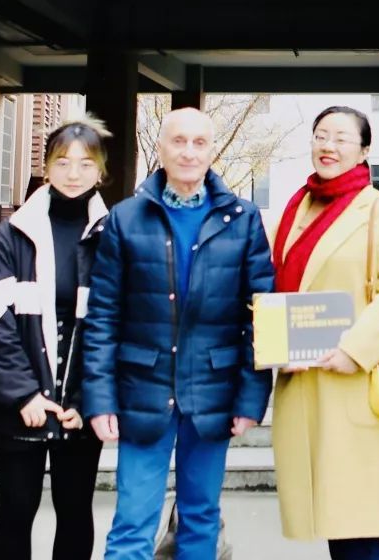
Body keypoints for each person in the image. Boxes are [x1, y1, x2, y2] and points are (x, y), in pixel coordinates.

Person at [82, 106, 274, 560]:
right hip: (143, 389)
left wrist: (250, 399)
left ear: (212, 150)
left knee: (200, 516)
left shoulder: (242, 219)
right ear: (162, 148)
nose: (189, 152)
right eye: (179, 141)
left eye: (199, 142)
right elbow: (103, 315)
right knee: (133, 521)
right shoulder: (126, 217)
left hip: (212, 392)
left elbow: (259, 316)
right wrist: (100, 398)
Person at [271, 106, 379, 560]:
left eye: (340, 138)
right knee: (330, 513)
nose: (328, 147)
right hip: (303, 376)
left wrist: (354, 350)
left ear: (364, 151)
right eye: (321, 136)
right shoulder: (297, 207)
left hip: (355, 379)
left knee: (358, 517)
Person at [0, 115, 112, 560]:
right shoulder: (12, 234)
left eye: (85, 164)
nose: (73, 174)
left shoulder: (112, 237)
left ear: (100, 171)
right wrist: (24, 394)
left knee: (75, 512)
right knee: (16, 510)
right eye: (63, 162)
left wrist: (87, 400)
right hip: (19, 402)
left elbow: (115, 326)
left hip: (78, 405)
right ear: (46, 167)